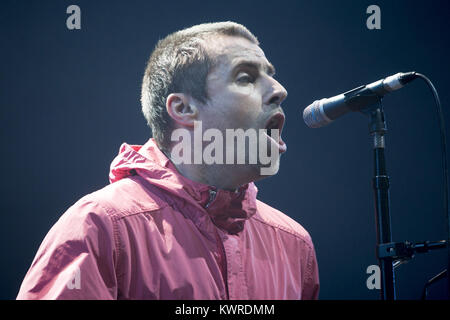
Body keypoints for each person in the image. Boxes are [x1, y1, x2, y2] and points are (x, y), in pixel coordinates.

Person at [17, 21, 319, 300]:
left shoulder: (294, 245)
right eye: (246, 77)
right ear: (184, 108)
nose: (280, 91)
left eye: (271, 75)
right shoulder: (100, 227)